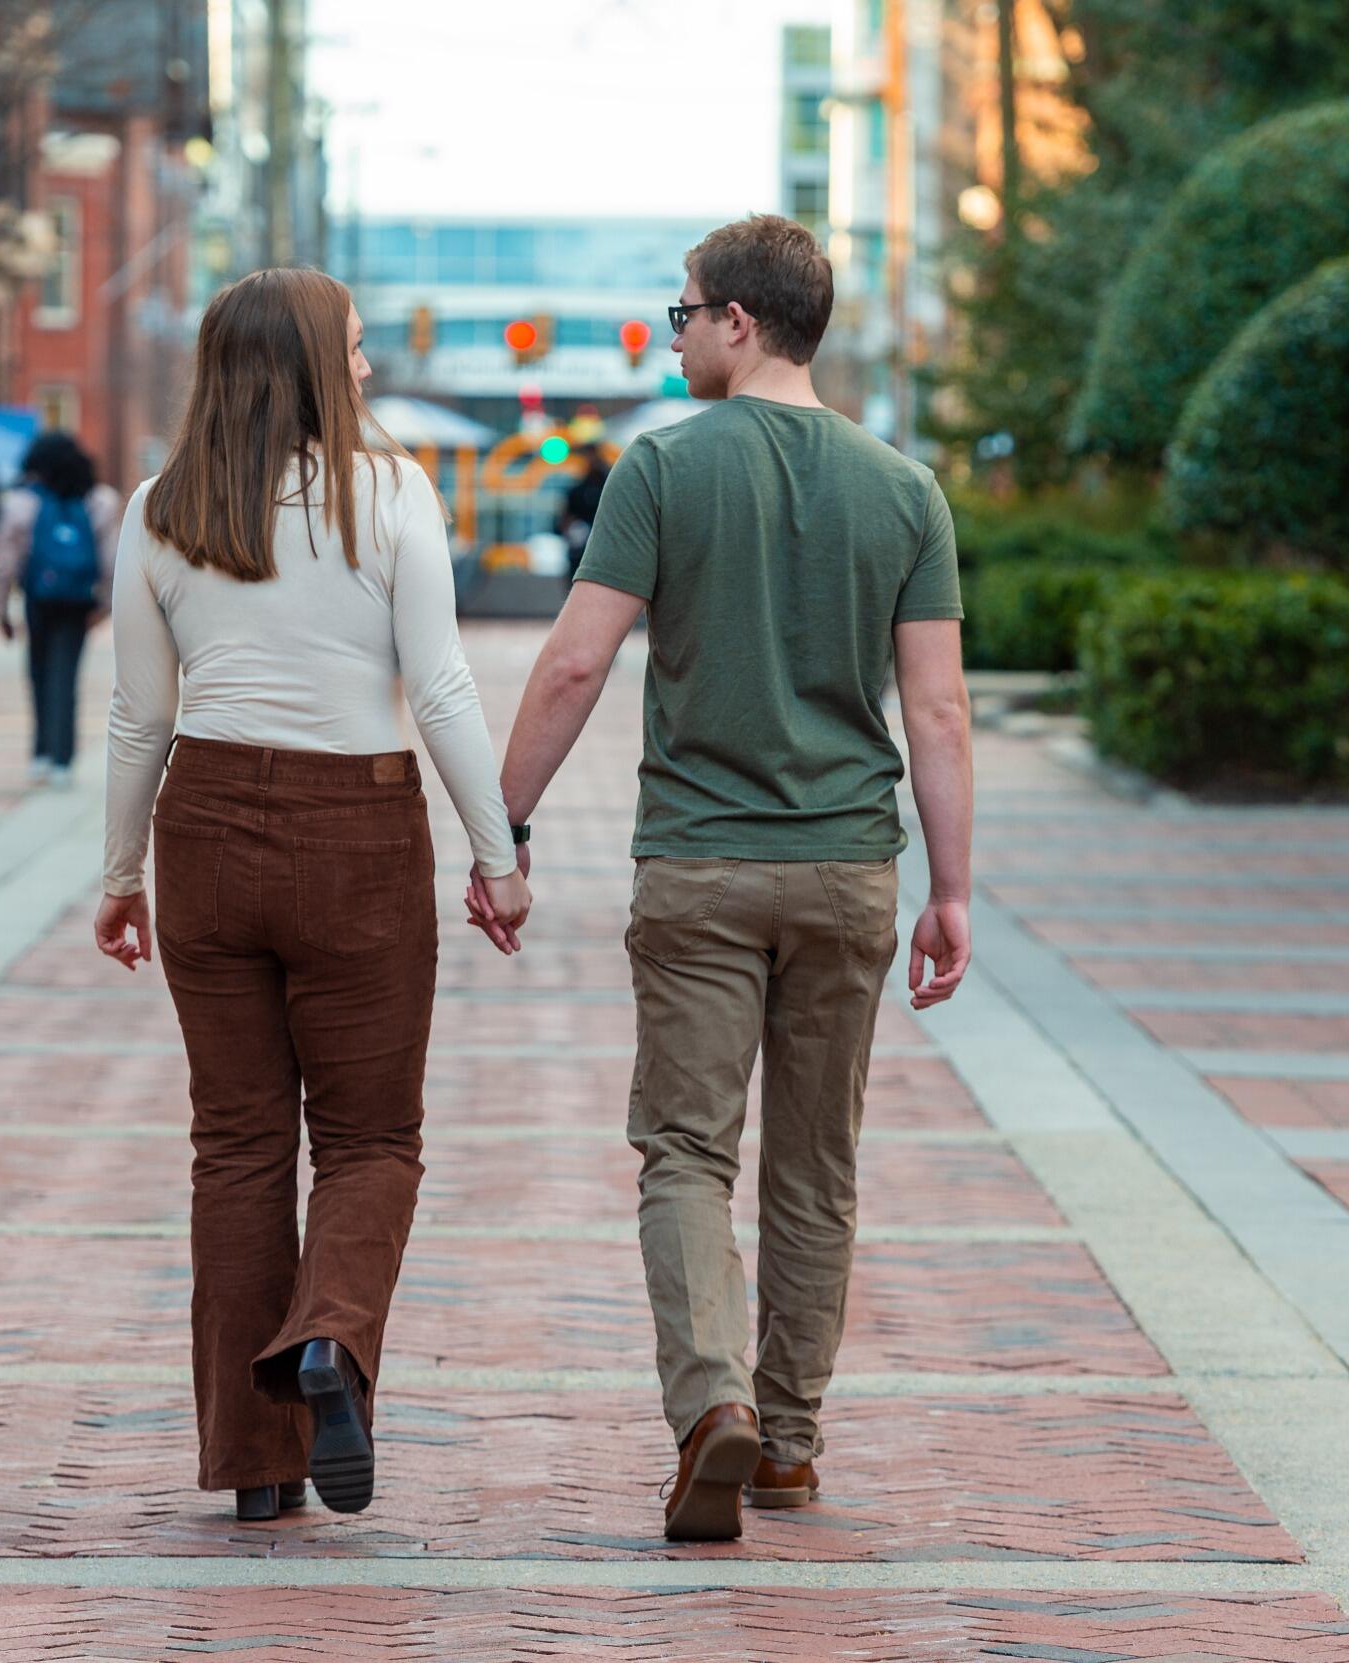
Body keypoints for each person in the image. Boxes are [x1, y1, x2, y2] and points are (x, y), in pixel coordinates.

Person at [476, 214, 976, 1543]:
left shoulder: (663, 470)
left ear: (741, 323)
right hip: (848, 870)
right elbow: (937, 714)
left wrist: (502, 825)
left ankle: (711, 1406)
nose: (673, 327)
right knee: (818, 1162)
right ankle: (791, 1442)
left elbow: (577, 663)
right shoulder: (905, 489)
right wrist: (954, 888)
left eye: (684, 309)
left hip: (699, 863)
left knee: (686, 1151)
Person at [93, 268, 531, 1525]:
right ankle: (332, 1335)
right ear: (303, 366)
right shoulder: (390, 492)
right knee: (370, 1139)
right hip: (358, 831)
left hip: (208, 831)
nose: (369, 370)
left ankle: (255, 1464)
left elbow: (140, 715)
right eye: (352, 349)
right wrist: (495, 855)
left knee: (235, 1150)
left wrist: (120, 877)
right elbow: (440, 688)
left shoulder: (159, 510)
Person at [0, 431, 123, 787]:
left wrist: (0, 610)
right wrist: (105, 604)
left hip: (39, 598)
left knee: (39, 671)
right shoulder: (99, 501)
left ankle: (42, 753)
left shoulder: (23, 503)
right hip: (79, 600)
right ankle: (64, 758)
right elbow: (112, 559)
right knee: (67, 674)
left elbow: (5, 560)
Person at [556, 446, 612, 587]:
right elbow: (566, 517)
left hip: (605, 544)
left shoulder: (609, 486)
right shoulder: (577, 489)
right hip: (581, 544)